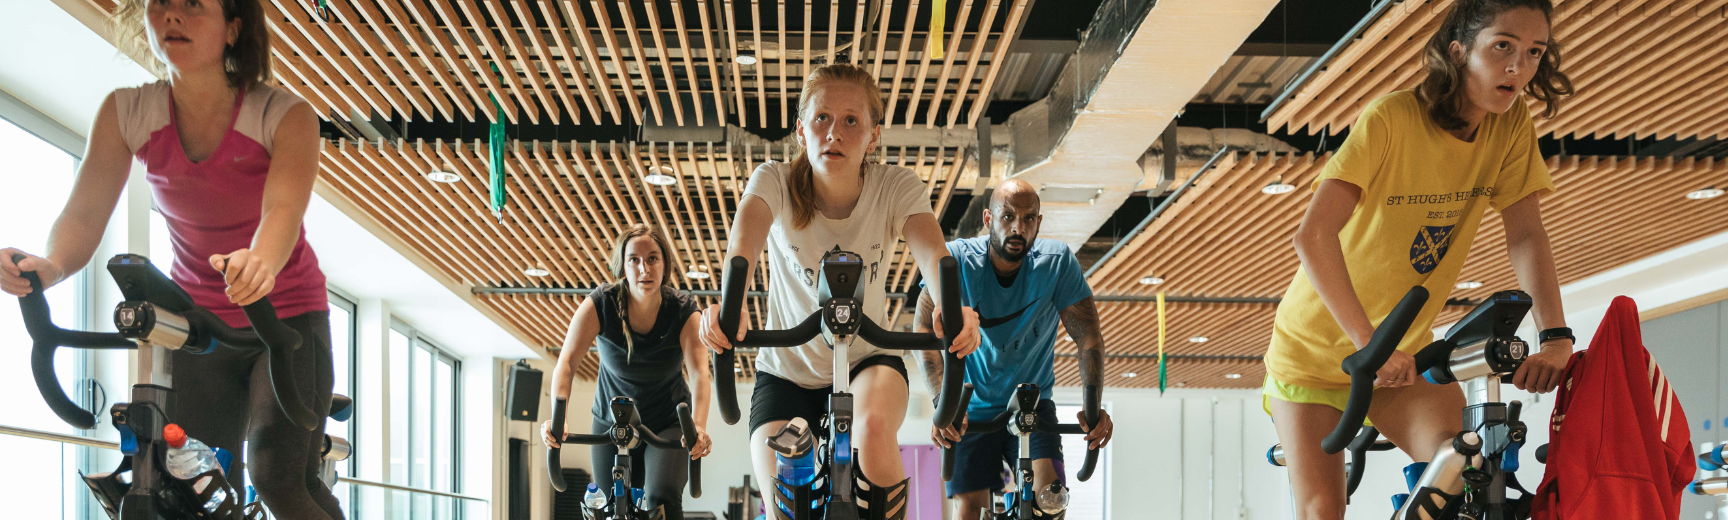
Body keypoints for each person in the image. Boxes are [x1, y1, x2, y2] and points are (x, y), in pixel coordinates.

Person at [0, 0, 338, 517]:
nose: (172, 17)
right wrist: (51, 265)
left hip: (284, 318)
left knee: (278, 478)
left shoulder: (283, 115)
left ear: (233, 28)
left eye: (193, 6)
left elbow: (283, 212)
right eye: (161, 5)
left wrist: (260, 263)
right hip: (197, 326)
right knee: (189, 484)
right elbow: (86, 211)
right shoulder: (128, 111)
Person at [1262, 1, 1577, 518]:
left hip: (1402, 358)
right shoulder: (1392, 118)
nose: (1518, 68)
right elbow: (1313, 235)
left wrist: (1556, 337)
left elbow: (1525, 234)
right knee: (1322, 509)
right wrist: (1367, 344)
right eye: (1502, 46)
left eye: (1534, 52)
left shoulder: (1510, 125)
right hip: (1313, 353)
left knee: (1467, 473)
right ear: (1459, 51)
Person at [695, 63, 981, 520]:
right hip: (787, 370)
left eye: (852, 121)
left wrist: (954, 307)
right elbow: (742, 246)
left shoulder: (895, 186)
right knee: (785, 498)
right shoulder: (774, 180)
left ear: (873, 136)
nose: (835, 132)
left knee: (869, 431)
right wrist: (731, 308)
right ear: (801, 129)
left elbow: (933, 255)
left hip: (870, 357)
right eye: (822, 118)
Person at [915, 179, 1114, 520]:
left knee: (1052, 503)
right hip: (971, 408)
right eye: (1008, 217)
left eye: (1029, 218)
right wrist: (941, 403)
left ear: (1039, 221)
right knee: (969, 511)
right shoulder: (959, 259)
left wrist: (1093, 406)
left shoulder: (1056, 263)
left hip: (1032, 403)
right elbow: (922, 328)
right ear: (989, 219)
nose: (1018, 227)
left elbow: (1089, 336)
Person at [541, 225, 713, 519]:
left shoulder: (683, 310)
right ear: (622, 267)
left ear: (665, 265)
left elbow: (699, 373)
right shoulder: (602, 303)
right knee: (609, 507)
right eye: (634, 259)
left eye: (653, 258)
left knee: (661, 496)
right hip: (611, 421)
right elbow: (567, 362)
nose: (644, 268)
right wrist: (560, 419)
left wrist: (697, 427)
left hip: (667, 423)